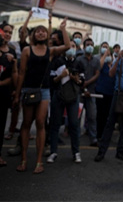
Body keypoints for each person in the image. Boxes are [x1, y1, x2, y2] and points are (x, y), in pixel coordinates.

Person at [13, 19, 70, 174]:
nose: (40, 32)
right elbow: (22, 73)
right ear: (33, 35)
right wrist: (17, 95)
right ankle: (24, 159)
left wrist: (63, 29)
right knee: (26, 123)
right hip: (27, 89)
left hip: (44, 90)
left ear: (47, 35)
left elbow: (67, 46)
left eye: (43, 31)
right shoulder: (27, 51)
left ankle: (39, 162)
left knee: (40, 122)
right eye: (38, 31)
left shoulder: (50, 51)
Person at [47, 41, 83, 164]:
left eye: (73, 46)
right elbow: (51, 81)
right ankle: (53, 151)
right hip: (59, 96)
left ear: (76, 48)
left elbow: (82, 82)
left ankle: (76, 152)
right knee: (55, 123)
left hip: (73, 97)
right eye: (69, 46)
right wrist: (61, 76)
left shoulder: (78, 62)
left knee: (74, 124)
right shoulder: (57, 61)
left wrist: (75, 78)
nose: (71, 49)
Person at [75, 38, 100, 147]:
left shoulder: (96, 60)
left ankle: (93, 138)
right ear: (84, 47)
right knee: (77, 116)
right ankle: (75, 137)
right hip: (80, 93)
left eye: (91, 44)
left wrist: (87, 83)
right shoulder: (79, 60)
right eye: (88, 44)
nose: (89, 46)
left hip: (91, 93)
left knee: (92, 116)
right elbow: (76, 74)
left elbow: (97, 74)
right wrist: (83, 86)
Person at [0, 27, 17, 167]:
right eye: (5, 31)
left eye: (10, 32)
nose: (7, 34)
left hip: (3, 93)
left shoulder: (12, 52)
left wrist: (14, 62)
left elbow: (13, 77)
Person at [94, 42, 115, 142]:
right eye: (104, 47)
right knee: (100, 115)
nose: (106, 49)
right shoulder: (100, 60)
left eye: (107, 48)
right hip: (101, 92)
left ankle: (105, 135)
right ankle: (98, 134)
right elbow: (99, 66)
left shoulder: (112, 63)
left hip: (110, 93)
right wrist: (105, 55)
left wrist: (113, 58)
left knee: (107, 115)